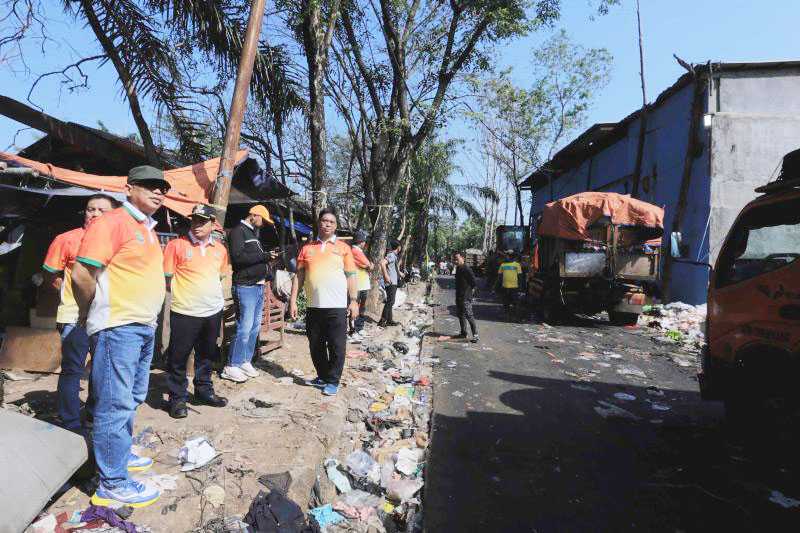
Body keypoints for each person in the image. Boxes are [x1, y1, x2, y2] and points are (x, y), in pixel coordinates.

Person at [71, 166, 170, 508]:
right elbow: (83, 272)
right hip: (118, 326)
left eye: (163, 188)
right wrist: (89, 312)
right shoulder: (111, 222)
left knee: (130, 397)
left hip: (142, 326)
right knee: (114, 403)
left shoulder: (146, 227)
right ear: (129, 188)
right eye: (150, 186)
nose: (159, 192)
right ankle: (112, 482)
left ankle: (119, 455)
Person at [43, 193, 118, 433]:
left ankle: (93, 416)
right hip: (74, 317)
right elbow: (51, 275)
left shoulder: (117, 244)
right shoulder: (66, 239)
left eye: (101, 211)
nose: (94, 214)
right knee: (73, 369)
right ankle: (69, 420)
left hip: (107, 317)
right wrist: (71, 295)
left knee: (100, 369)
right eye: (90, 209)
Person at [162, 204, 230, 419]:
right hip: (185, 311)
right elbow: (166, 278)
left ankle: (203, 391)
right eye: (194, 220)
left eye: (202, 221)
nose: (197, 225)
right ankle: (177, 398)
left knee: (207, 355)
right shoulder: (176, 246)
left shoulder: (220, 250)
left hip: (212, 311)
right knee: (178, 357)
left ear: (213, 224)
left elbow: (220, 277)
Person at [289, 208, 358, 396]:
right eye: (324, 221)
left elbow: (351, 276)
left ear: (335, 226)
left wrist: (353, 301)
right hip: (314, 306)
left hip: (336, 306)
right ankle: (322, 375)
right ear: (319, 223)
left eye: (331, 222)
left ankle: (333, 380)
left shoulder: (343, 249)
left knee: (337, 345)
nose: (327, 224)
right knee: (315, 344)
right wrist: (293, 301)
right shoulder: (307, 248)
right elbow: (299, 276)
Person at [223, 204, 275, 383]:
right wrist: (264, 257)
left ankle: (245, 360)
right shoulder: (238, 231)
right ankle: (231, 365)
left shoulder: (252, 233)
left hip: (258, 286)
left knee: (254, 327)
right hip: (245, 286)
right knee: (244, 327)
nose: (263, 224)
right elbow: (238, 258)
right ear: (254, 215)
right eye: (262, 219)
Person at [350, 230, 373, 333]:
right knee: (356, 307)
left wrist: (366, 266)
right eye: (364, 241)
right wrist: (367, 266)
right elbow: (369, 265)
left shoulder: (358, 251)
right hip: (358, 284)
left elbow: (367, 265)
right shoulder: (355, 251)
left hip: (362, 283)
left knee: (360, 307)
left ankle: (358, 328)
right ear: (361, 241)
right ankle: (354, 329)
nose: (365, 244)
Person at [453, 251, 479, 343]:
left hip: (465, 297)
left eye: (457, 259)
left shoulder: (467, 269)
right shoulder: (458, 268)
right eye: (454, 259)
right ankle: (463, 332)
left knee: (469, 315)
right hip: (459, 296)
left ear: (463, 258)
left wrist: (470, 295)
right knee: (460, 315)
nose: (455, 261)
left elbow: (474, 284)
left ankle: (475, 335)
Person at [378, 239, 401, 327]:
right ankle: (382, 321)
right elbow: (382, 263)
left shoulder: (394, 256)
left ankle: (389, 320)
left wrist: (400, 274)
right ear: (398, 247)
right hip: (390, 282)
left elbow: (392, 268)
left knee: (391, 301)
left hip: (393, 281)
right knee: (390, 301)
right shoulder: (391, 255)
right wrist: (386, 276)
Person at [497, 250, 523, 316]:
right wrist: (499, 285)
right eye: (507, 256)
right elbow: (500, 276)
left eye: (508, 256)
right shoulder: (503, 265)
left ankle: (515, 315)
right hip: (505, 286)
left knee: (515, 303)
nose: (507, 257)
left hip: (514, 287)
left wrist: (520, 286)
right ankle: (507, 315)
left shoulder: (517, 265)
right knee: (506, 302)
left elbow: (520, 276)